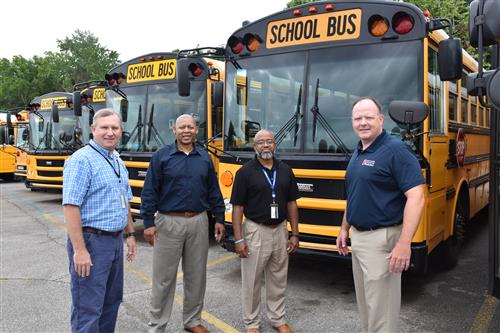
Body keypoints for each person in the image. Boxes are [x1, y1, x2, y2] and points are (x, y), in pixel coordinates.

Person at [336, 97, 425, 332]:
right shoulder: (358, 151)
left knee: (382, 315)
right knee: (368, 309)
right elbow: (355, 195)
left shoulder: (396, 150)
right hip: (359, 238)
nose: (362, 122)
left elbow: (417, 197)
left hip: (382, 240)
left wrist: (405, 243)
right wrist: (344, 228)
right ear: (352, 122)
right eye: (358, 118)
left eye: (368, 117)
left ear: (381, 119)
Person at [141, 114, 225, 333]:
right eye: (182, 127)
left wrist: (219, 218)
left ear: (196, 130)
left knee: (197, 276)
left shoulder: (204, 158)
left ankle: (192, 321)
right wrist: (148, 222)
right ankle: (157, 325)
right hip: (168, 222)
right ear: (174, 130)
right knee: (164, 279)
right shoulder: (161, 157)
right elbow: (149, 191)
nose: (186, 130)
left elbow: (214, 191)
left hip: (198, 221)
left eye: (190, 127)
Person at [63, 108, 137, 333]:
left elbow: (124, 200)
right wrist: (80, 250)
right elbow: (71, 206)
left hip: (114, 242)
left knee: (111, 303)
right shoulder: (81, 160)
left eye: (114, 128)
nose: (109, 132)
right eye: (104, 128)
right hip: (91, 242)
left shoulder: (116, 160)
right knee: (88, 308)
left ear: (121, 131)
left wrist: (130, 233)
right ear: (93, 129)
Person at [231, 129, 300, 333]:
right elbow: (237, 208)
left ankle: (278, 319)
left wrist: (294, 233)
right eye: (261, 142)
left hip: (280, 229)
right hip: (255, 230)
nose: (265, 145)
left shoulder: (285, 170)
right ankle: (251, 323)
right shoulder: (244, 172)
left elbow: (292, 203)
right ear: (255, 147)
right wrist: (238, 239)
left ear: (275, 145)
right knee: (252, 280)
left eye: (269, 141)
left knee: (278, 277)